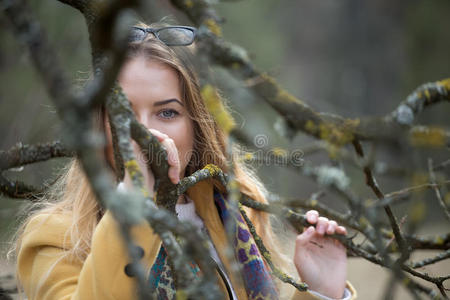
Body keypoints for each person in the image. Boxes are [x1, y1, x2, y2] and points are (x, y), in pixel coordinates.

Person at [12, 23, 357, 300]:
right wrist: (133, 203)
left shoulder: (233, 216)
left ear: (197, 125)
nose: (143, 132)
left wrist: (320, 291)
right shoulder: (54, 239)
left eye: (167, 112)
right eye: (123, 113)